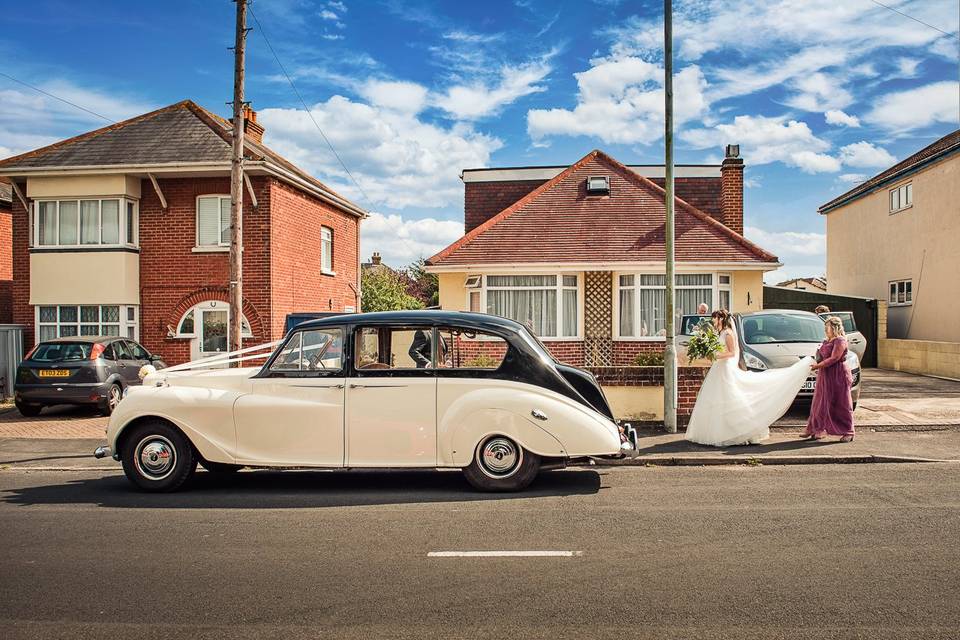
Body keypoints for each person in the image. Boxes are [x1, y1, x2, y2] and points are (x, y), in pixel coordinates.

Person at [685, 309, 814, 447]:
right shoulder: (720, 333)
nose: (713, 321)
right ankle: (720, 431)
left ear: (721, 319)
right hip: (719, 368)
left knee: (730, 398)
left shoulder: (728, 333)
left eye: (715, 318)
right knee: (717, 399)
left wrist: (715, 355)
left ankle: (740, 431)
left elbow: (732, 352)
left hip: (725, 368)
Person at [802, 316, 855, 442]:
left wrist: (817, 366)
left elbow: (834, 358)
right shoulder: (826, 341)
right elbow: (822, 356)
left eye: (828, 327)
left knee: (841, 403)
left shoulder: (840, 341)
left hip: (838, 374)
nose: (825, 329)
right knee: (820, 402)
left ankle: (848, 431)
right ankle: (816, 429)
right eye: (825, 327)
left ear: (834, 327)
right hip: (825, 374)